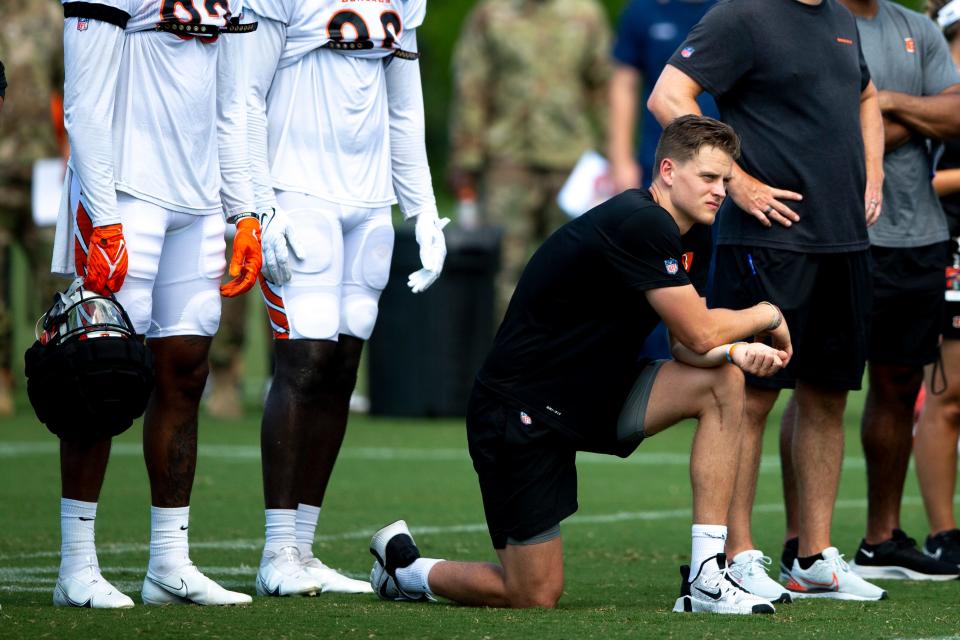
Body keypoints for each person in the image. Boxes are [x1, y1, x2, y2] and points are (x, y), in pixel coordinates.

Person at [369, 115, 793, 614]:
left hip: (597, 394)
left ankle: (706, 574)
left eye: (725, 180)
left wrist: (735, 352)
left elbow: (688, 344)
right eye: (708, 177)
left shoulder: (691, 230)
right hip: (520, 410)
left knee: (722, 381)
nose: (720, 191)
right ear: (668, 171)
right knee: (532, 594)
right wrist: (765, 314)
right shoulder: (641, 220)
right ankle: (405, 570)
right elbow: (700, 330)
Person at [648, 0, 887, 601]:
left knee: (827, 395)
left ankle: (813, 558)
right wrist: (738, 182)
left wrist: (874, 171)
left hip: (843, 241)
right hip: (767, 240)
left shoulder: (840, 19)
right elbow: (669, 96)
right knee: (749, 399)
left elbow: (865, 97)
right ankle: (737, 555)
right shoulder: (742, 15)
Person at [49, 0, 260, 607]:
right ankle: (76, 567)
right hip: (127, 192)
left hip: (196, 200)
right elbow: (85, 104)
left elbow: (233, 105)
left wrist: (243, 210)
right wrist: (105, 216)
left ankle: (170, 562)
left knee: (187, 371)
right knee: (99, 371)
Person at [239, 0, 448, 596]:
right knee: (302, 362)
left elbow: (405, 108)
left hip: (368, 195)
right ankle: (277, 549)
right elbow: (246, 95)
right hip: (298, 185)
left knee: (340, 369)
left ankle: (302, 548)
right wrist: (260, 201)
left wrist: (423, 208)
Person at [823, 0, 960, 582]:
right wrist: (904, 113)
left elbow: (957, 116)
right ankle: (803, 545)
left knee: (900, 382)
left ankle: (880, 540)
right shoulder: (812, 19)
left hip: (917, 234)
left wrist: (878, 103)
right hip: (837, 231)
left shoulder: (918, 28)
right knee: (818, 385)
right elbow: (828, 129)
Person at [449, 0, 612, 317]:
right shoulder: (491, 14)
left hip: (572, 163)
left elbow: (603, 86)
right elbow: (471, 86)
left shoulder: (585, 14)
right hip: (507, 161)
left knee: (576, 268)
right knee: (504, 271)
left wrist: (615, 156)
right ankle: (508, 362)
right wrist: (465, 160)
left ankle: (563, 360)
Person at [608, 0, 719, 360]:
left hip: (723, 168)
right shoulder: (642, 11)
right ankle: (648, 365)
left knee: (709, 269)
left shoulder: (734, 9)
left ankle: (706, 356)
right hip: (657, 165)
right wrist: (620, 158)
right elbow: (624, 83)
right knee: (654, 267)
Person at [0, 0, 65, 417]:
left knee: (55, 279)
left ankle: (58, 372)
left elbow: (68, 87)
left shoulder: (52, 15)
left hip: (45, 169)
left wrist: (68, 150)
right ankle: (1, 381)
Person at [913, 0, 960, 569]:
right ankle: (945, 533)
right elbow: (920, 178)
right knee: (948, 399)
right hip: (949, 244)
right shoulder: (932, 94)